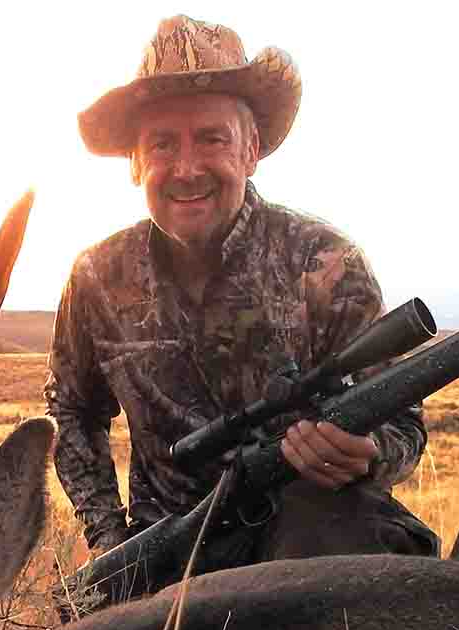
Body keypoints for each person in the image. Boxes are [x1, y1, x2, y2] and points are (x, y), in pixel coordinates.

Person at [45, 15, 438, 569]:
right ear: (135, 163)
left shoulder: (326, 263)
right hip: (169, 545)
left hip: (310, 542)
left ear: (251, 151)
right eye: (162, 144)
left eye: (212, 138)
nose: (186, 168)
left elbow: (404, 425)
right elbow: (73, 409)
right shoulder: (97, 276)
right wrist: (111, 543)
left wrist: (367, 455)